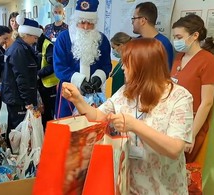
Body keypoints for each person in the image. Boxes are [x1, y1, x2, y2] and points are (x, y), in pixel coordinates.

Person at [62, 38, 194, 194]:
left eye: (127, 63)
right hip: (128, 185)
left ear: (143, 65)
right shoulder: (126, 91)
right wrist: (78, 99)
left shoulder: (179, 97)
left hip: (164, 187)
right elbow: (98, 115)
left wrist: (134, 126)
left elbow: (174, 149)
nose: (123, 68)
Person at [171, 14, 214, 163]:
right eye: (175, 37)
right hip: (174, 121)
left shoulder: (207, 60)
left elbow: (207, 102)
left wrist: (190, 135)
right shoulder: (179, 56)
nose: (176, 41)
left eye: (179, 37)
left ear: (195, 35)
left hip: (191, 125)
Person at [54, 0, 112, 118]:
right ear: (75, 21)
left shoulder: (102, 40)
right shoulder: (63, 39)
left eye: (90, 23)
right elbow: (59, 68)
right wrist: (80, 81)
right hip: (68, 95)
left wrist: (98, 77)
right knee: (68, 128)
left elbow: (106, 65)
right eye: (82, 22)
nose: (86, 27)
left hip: (95, 95)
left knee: (92, 129)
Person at [1, 15, 42, 148]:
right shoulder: (19, 50)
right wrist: (28, 102)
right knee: (18, 130)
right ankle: (17, 156)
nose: (35, 41)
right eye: (34, 38)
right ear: (26, 35)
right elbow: (21, 79)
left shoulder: (21, 48)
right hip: (17, 98)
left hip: (17, 97)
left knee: (16, 127)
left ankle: (16, 154)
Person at [132, 1, 174, 70]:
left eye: (134, 18)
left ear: (142, 20)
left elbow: (164, 75)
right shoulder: (136, 42)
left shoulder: (162, 44)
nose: (132, 22)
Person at [36, 33, 58, 129]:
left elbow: (53, 65)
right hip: (41, 84)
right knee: (43, 112)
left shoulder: (48, 45)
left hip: (50, 85)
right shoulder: (38, 44)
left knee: (50, 113)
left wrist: (38, 74)